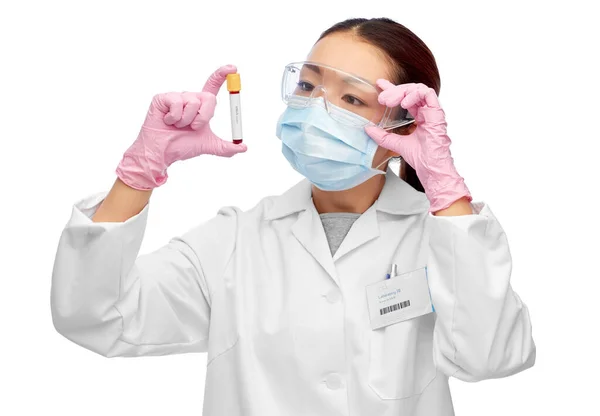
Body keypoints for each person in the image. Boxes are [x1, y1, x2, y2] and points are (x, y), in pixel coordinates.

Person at [50, 17, 536, 416]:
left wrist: (445, 187)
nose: (317, 110)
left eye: (351, 98)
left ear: (402, 122)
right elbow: (94, 316)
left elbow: (490, 357)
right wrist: (139, 171)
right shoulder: (235, 241)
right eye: (308, 86)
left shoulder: (443, 237)